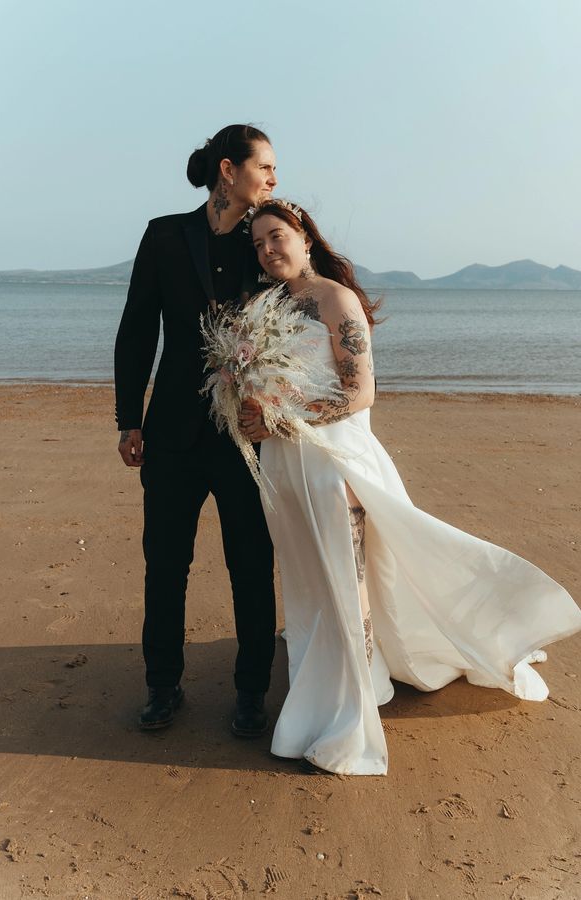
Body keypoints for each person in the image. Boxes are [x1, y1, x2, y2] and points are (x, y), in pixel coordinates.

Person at [240, 199, 581, 775]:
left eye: (276, 236)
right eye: (257, 243)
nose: (268, 250)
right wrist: (247, 406)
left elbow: (360, 392)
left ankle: (355, 699)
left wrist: (279, 417)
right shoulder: (265, 306)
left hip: (333, 464)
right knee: (306, 582)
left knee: (349, 582)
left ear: (304, 238)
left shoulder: (335, 300)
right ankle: (338, 670)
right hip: (282, 468)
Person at [114, 124, 278, 736]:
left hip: (246, 434)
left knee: (251, 565)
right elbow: (137, 330)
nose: (274, 179)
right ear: (228, 171)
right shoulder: (163, 235)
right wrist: (128, 417)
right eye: (266, 166)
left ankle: (251, 692)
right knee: (165, 563)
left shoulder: (266, 240)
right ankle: (162, 687)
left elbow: (300, 319)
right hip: (173, 433)